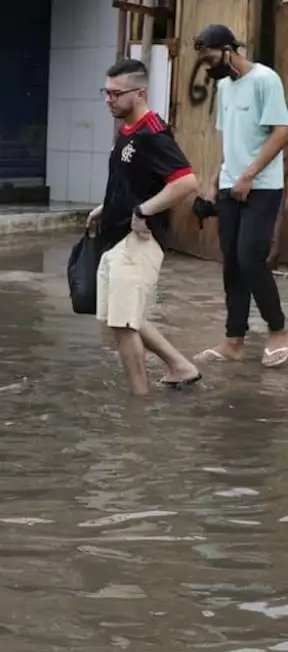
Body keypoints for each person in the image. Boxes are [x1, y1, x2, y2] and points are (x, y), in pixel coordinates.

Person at [85, 59, 202, 396]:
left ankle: (138, 403)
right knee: (121, 318)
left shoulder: (153, 134)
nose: (109, 100)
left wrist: (143, 210)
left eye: (116, 94)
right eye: (105, 93)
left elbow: (186, 182)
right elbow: (135, 182)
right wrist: (105, 208)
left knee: (123, 324)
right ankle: (180, 366)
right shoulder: (127, 131)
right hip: (118, 235)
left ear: (140, 94)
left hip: (138, 240)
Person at [192, 25, 288, 369]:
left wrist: (249, 175)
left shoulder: (265, 80)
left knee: (250, 257)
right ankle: (234, 340)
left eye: (210, 58)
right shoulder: (223, 87)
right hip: (231, 185)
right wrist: (217, 179)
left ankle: (279, 331)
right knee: (231, 262)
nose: (208, 66)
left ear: (230, 50)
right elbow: (230, 140)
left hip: (262, 187)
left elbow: (281, 132)